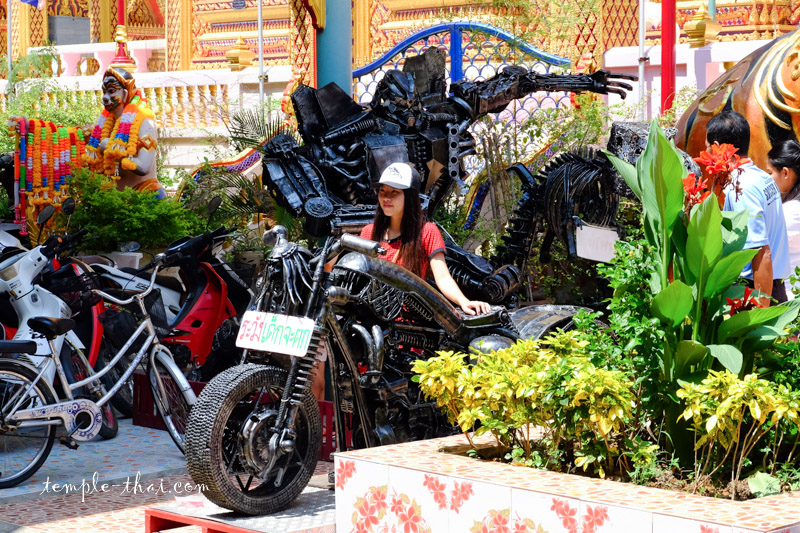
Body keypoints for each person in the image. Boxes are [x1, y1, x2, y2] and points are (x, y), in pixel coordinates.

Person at [360, 162, 491, 316]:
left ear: (410, 197)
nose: (386, 197)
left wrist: (464, 302)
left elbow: (443, 277)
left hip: (407, 321)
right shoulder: (368, 232)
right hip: (369, 316)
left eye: (394, 191)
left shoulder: (427, 232)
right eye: (382, 190)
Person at [706, 110, 790, 306]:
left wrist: (760, 312)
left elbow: (761, 252)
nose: (706, 153)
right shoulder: (762, 178)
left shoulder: (742, 188)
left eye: (708, 147)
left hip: (756, 292)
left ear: (717, 147)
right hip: (773, 287)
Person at [84, 68, 166, 199]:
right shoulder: (104, 124)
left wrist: (112, 149)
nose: (105, 97)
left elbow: (144, 166)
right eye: (104, 92)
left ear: (125, 93)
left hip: (144, 197)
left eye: (111, 91)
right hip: (116, 200)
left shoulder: (144, 122)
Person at [765, 139, 800, 299]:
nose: (767, 179)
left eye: (770, 173)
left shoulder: (790, 212)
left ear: (785, 173)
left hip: (789, 296)